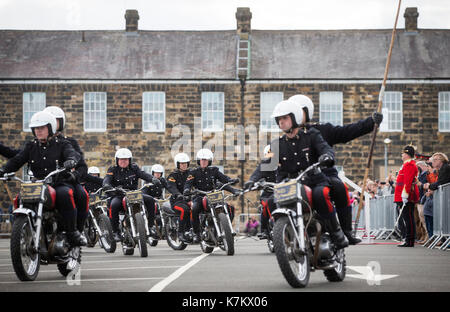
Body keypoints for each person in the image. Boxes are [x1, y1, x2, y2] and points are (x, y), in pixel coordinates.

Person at [288, 94, 383, 245]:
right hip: (299, 178)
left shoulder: (322, 130)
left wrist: (370, 123)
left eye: (298, 111)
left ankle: (345, 231)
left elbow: (347, 131)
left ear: (307, 112)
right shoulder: (286, 137)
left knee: (339, 186)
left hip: (324, 175)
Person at [269, 98, 349, 249]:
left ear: (294, 117)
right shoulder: (277, 144)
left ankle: (336, 233)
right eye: (279, 119)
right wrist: (252, 180)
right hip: (292, 184)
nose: (281, 122)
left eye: (285, 118)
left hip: (314, 180)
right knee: (272, 200)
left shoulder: (311, 135)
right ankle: (284, 236)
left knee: (321, 194)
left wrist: (327, 156)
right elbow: (265, 165)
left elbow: (325, 148)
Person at [0, 111, 85, 246]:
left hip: (58, 183)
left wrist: (71, 160)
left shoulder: (63, 144)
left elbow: (72, 154)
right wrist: (4, 170)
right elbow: (17, 160)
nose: (38, 131)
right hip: (38, 184)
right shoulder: (31, 146)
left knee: (65, 194)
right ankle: (25, 229)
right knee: (21, 198)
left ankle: (72, 232)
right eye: (36, 129)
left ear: (50, 128)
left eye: (42, 128)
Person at [43, 106, 90, 238]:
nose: (52, 123)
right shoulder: (36, 143)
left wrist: (74, 175)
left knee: (82, 195)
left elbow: (82, 166)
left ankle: (78, 230)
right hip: (43, 182)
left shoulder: (69, 142)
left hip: (66, 180)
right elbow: (18, 157)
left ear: (61, 123)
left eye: (55, 120)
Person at [103, 148, 161, 242]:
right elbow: (107, 179)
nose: (123, 161)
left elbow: (143, 174)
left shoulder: (134, 168)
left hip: (133, 194)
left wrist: (153, 179)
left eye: (126, 159)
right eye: (121, 159)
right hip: (119, 195)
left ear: (130, 160)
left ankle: (151, 226)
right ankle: (115, 231)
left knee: (150, 200)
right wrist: (106, 185)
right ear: (117, 160)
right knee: (113, 205)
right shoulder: (112, 169)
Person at [183, 148, 240, 244]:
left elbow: (224, 178)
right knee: (195, 209)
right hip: (200, 196)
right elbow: (188, 183)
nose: (203, 162)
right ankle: (197, 233)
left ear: (209, 161)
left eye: (205, 160)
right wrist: (187, 189)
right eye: (202, 160)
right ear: (199, 161)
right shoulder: (193, 173)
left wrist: (231, 181)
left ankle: (226, 229)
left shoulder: (214, 171)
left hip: (213, 196)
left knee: (230, 208)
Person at [244, 145, 276, 240]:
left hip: (284, 191)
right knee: (265, 205)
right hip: (269, 192)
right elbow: (257, 174)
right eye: (270, 153)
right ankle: (264, 230)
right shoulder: (264, 165)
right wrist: (252, 181)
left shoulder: (284, 162)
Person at [394, 145, 420, 247]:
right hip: (402, 194)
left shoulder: (409, 165)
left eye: (404, 153)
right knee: (406, 218)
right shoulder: (406, 164)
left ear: (408, 154)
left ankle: (410, 240)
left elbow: (408, 182)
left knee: (408, 218)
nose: (402, 155)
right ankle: (407, 238)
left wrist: (405, 195)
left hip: (406, 195)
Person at [166, 153, 193, 242]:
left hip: (190, 199)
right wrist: (178, 194)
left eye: (185, 163)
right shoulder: (173, 175)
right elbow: (171, 186)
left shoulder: (191, 173)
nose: (184, 165)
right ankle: (181, 232)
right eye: (182, 163)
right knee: (184, 210)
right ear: (178, 164)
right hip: (177, 201)